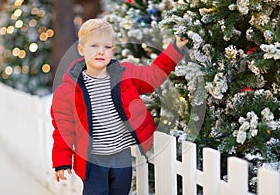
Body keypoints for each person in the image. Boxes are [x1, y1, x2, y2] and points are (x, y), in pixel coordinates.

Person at [51, 18, 188, 195]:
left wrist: (175, 50)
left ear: (113, 50)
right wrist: (62, 160)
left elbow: (152, 76)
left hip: (121, 156)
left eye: (107, 47)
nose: (101, 51)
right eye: (94, 46)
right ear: (81, 49)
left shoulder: (124, 74)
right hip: (93, 160)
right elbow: (63, 128)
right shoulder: (68, 91)